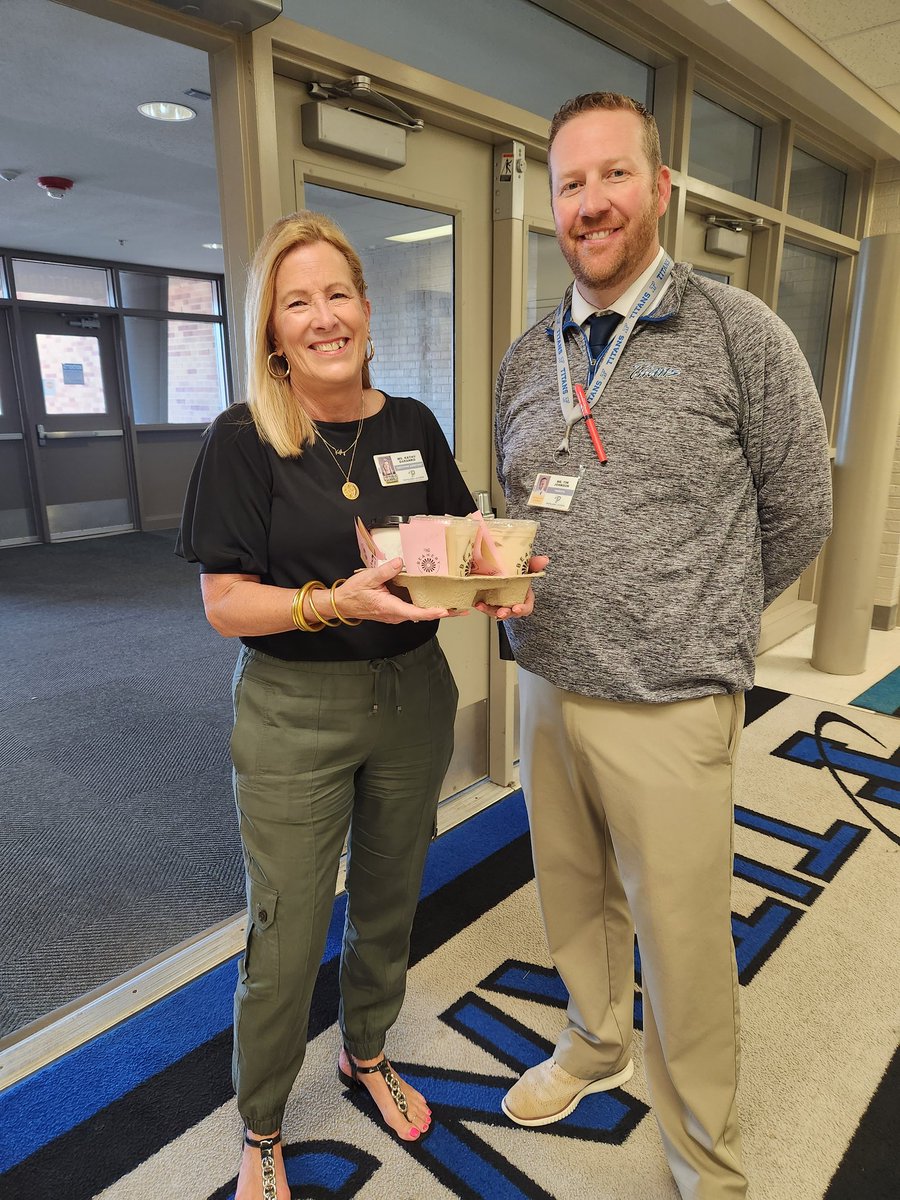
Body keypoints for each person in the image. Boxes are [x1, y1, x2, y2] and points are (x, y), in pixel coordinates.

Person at [490, 93, 832, 1199]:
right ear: (551, 206)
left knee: (683, 947)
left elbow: (801, 510)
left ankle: (703, 1158)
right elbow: (515, 503)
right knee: (572, 895)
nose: (592, 202)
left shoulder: (740, 333)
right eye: (571, 184)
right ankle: (594, 1045)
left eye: (613, 176)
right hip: (547, 681)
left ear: (660, 186)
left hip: (673, 697)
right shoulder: (525, 356)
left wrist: (706, 617)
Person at [177, 211, 477, 1200]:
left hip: (413, 695)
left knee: (390, 896)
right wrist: (326, 602)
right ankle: (261, 1118)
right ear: (272, 327)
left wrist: (493, 572)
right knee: (290, 926)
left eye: (337, 294)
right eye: (296, 301)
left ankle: (367, 1051)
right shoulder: (242, 439)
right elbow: (226, 603)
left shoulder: (413, 424)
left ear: (366, 308)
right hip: (294, 705)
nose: (322, 318)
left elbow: (453, 545)